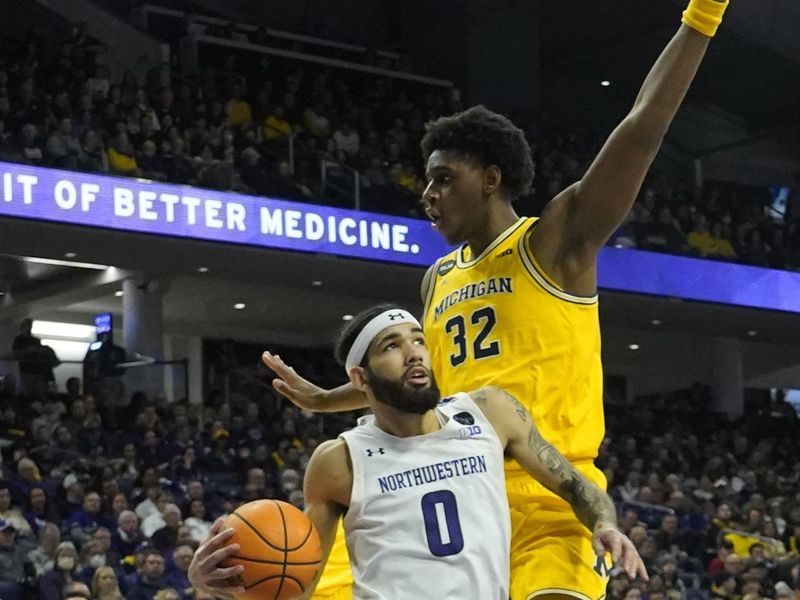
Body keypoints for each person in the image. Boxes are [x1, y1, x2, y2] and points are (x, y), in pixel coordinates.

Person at [260, 1, 732, 599]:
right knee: (298, 581)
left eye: (442, 178)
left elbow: (642, 127)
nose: (427, 194)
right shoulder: (438, 278)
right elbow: (429, 375)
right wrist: (330, 398)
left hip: (550, 497)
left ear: (491, 178)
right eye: (426, 183)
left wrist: (701, 19)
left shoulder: (555, 240)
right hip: (451, 481)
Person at [187, 307, 646, 598]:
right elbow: (297, 582)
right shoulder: (339, 461)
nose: (414, 354)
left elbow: (574, 484)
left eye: (418, 340)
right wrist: (213, 586)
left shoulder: (490, 413)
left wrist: (604, 523)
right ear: (361, 379)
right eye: (392, 346)